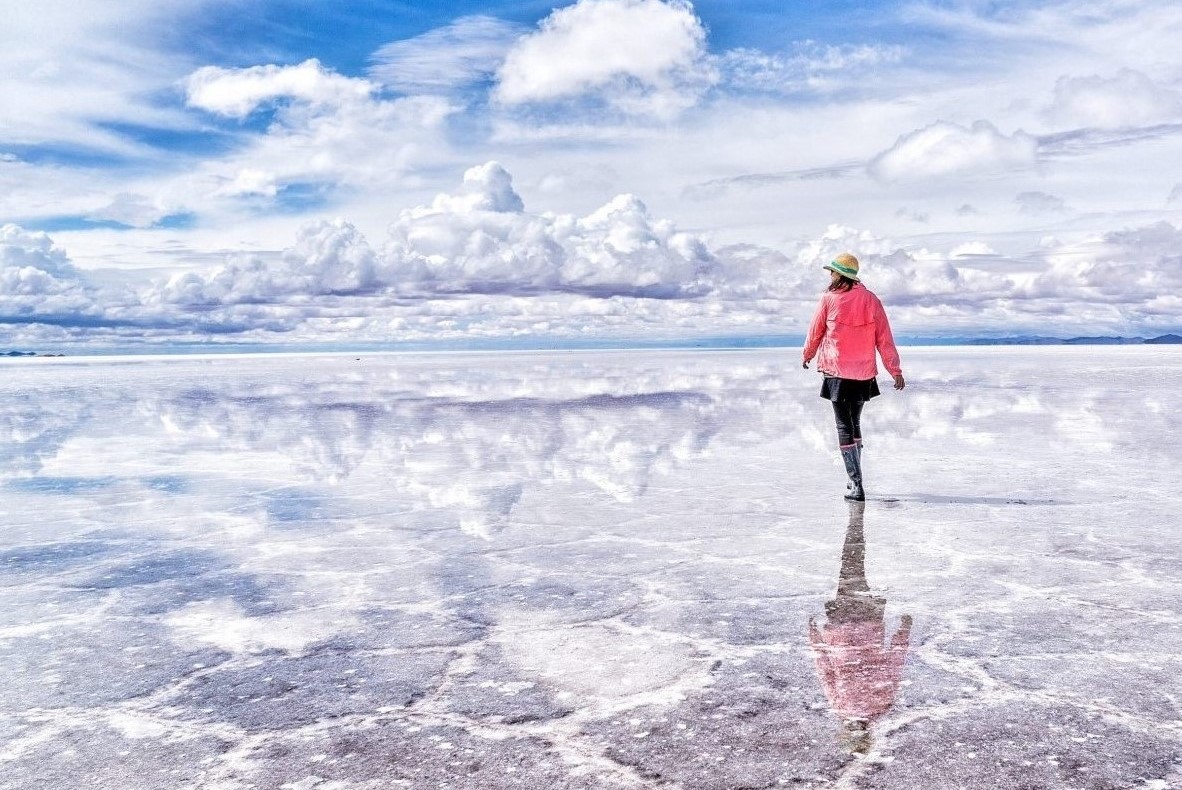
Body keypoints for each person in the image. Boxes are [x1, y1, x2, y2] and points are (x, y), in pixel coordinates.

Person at [808, 501, 912, 754]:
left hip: (865, 623)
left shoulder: (880, 705)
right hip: (847, 624)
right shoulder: (842, 705)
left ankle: (858, 528)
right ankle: (857, 527)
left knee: (854, 571)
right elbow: (825, 668)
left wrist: (902, 632)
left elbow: (893, 664)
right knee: (850, 571)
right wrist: (814, 636)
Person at [802, 252, 905, 501]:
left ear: (841, 275)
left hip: (837, 372)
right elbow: (885, 339)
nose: (830, 275)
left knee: (843, 425)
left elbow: (815, 331)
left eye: (833, 271)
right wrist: (895, 370)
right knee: (854, 423)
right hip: (862, 374)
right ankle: (854, 481)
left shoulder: (828, 300)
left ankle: (856, 484)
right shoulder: (871, 300)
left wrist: (807, 354)